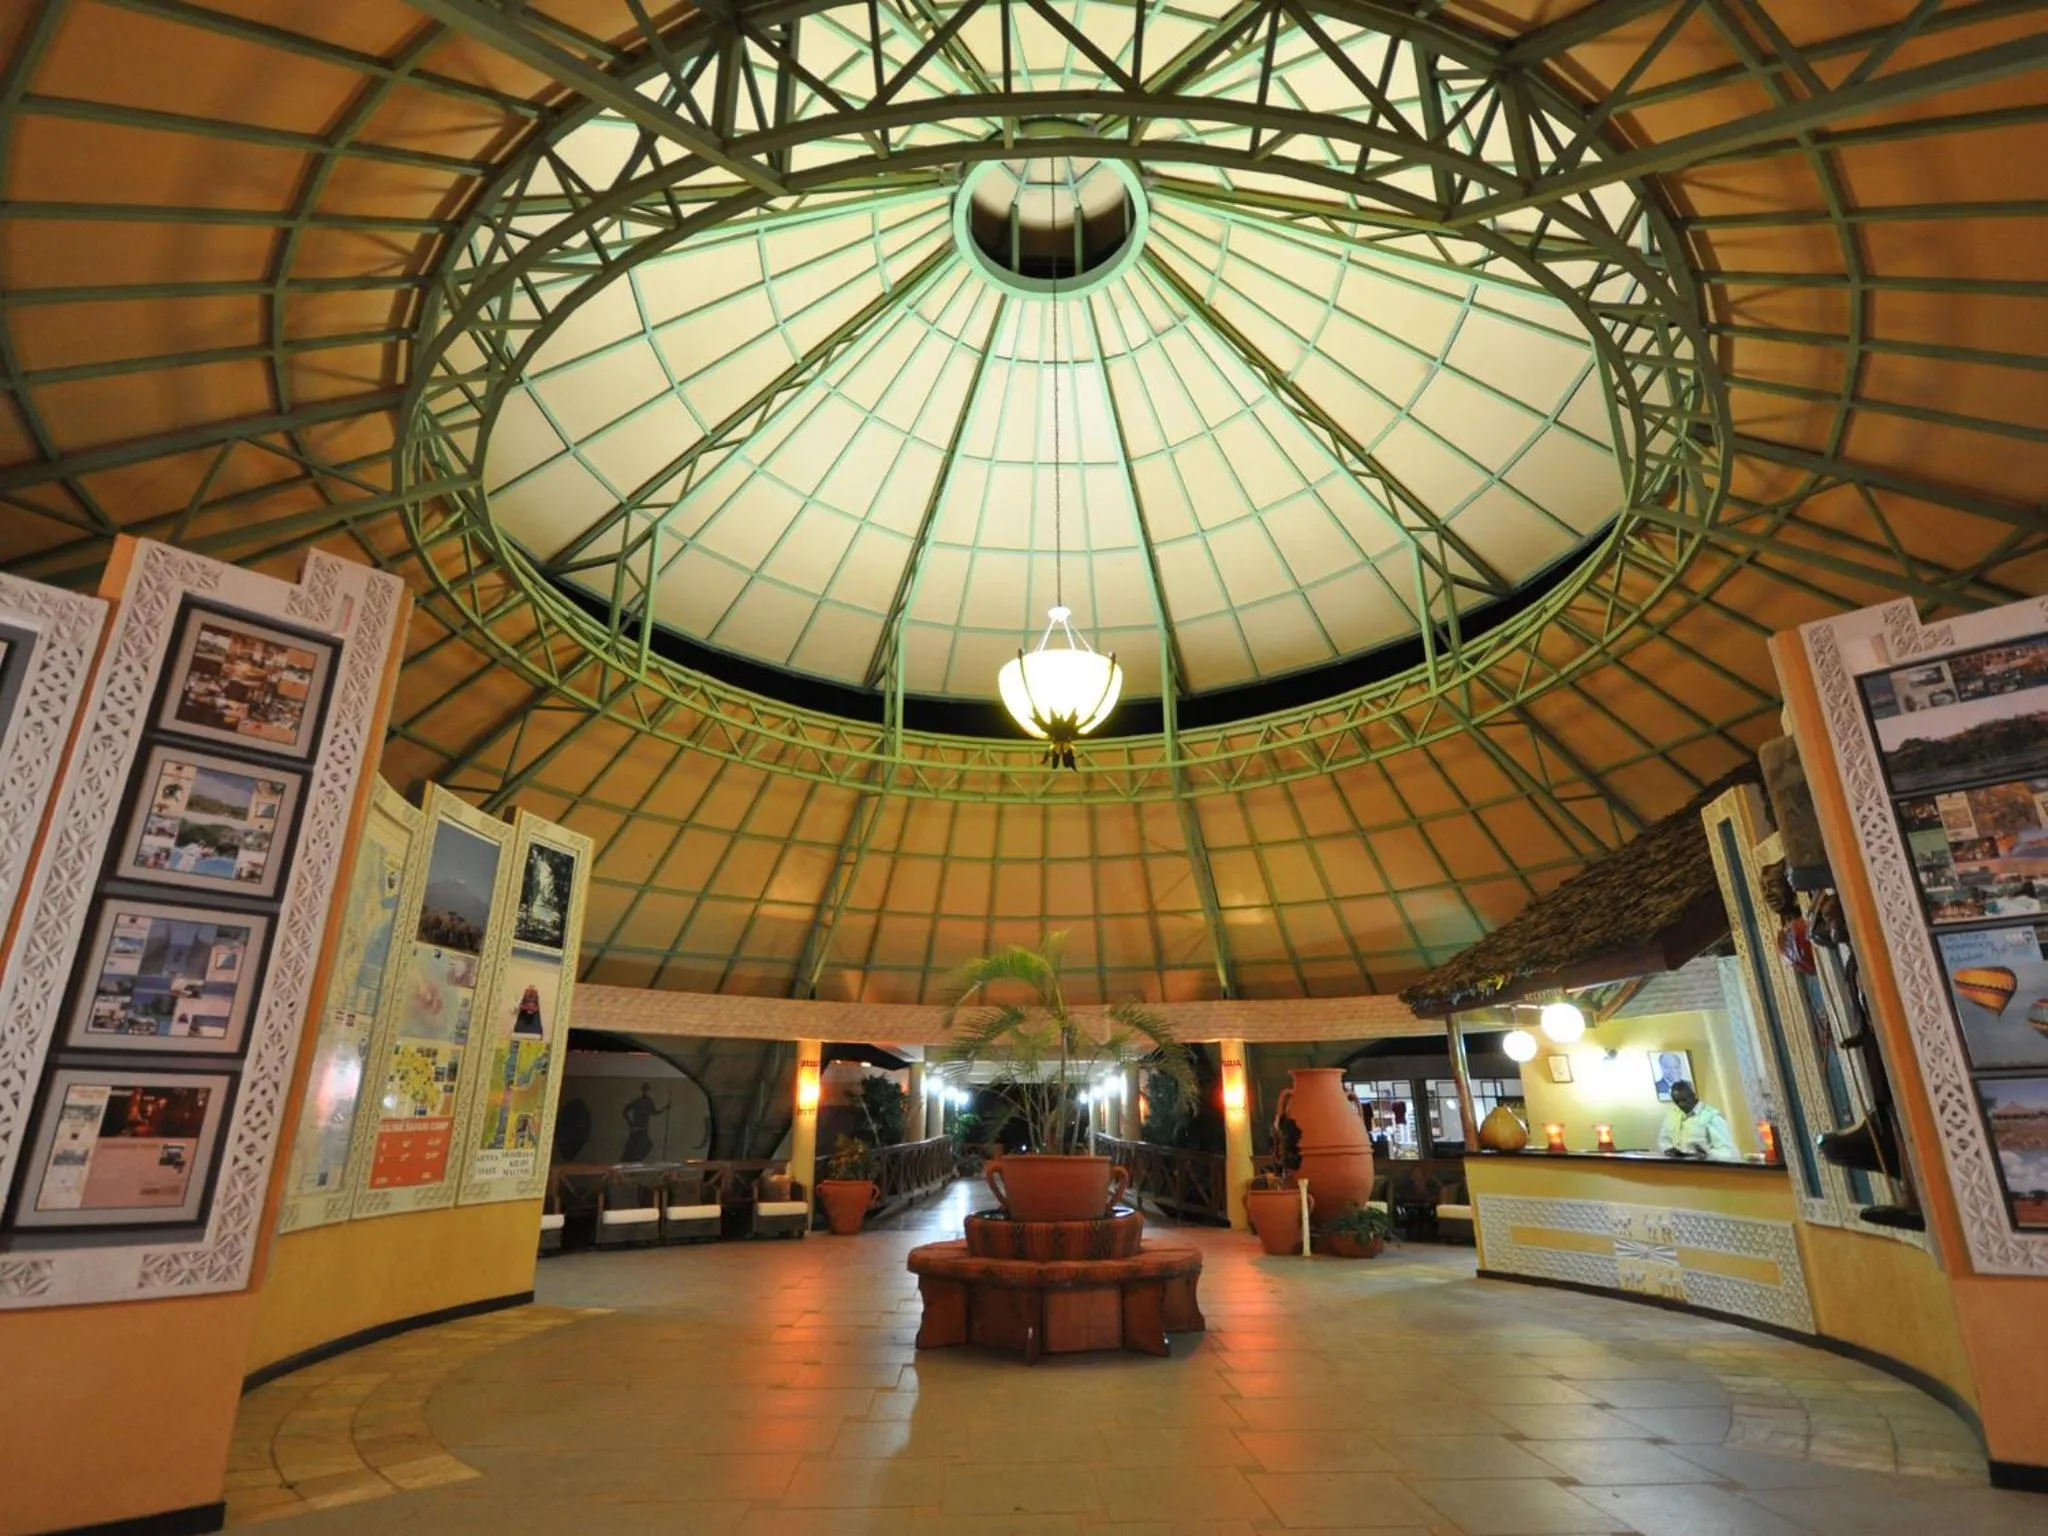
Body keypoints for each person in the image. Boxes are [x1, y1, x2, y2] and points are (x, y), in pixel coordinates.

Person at [1657, 1081, 1738, 1160]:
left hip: (1704, 1166)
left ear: (1693, 1096)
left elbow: (1729, 1152)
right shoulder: (1672, 1116)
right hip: (1678, 1166)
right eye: (1677, 1102)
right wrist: (1669, 1149)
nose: (1681, 1104)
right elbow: (1663, 1141)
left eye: (1684, 1100)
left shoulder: (1711, 1117)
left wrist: (1708, 1154)